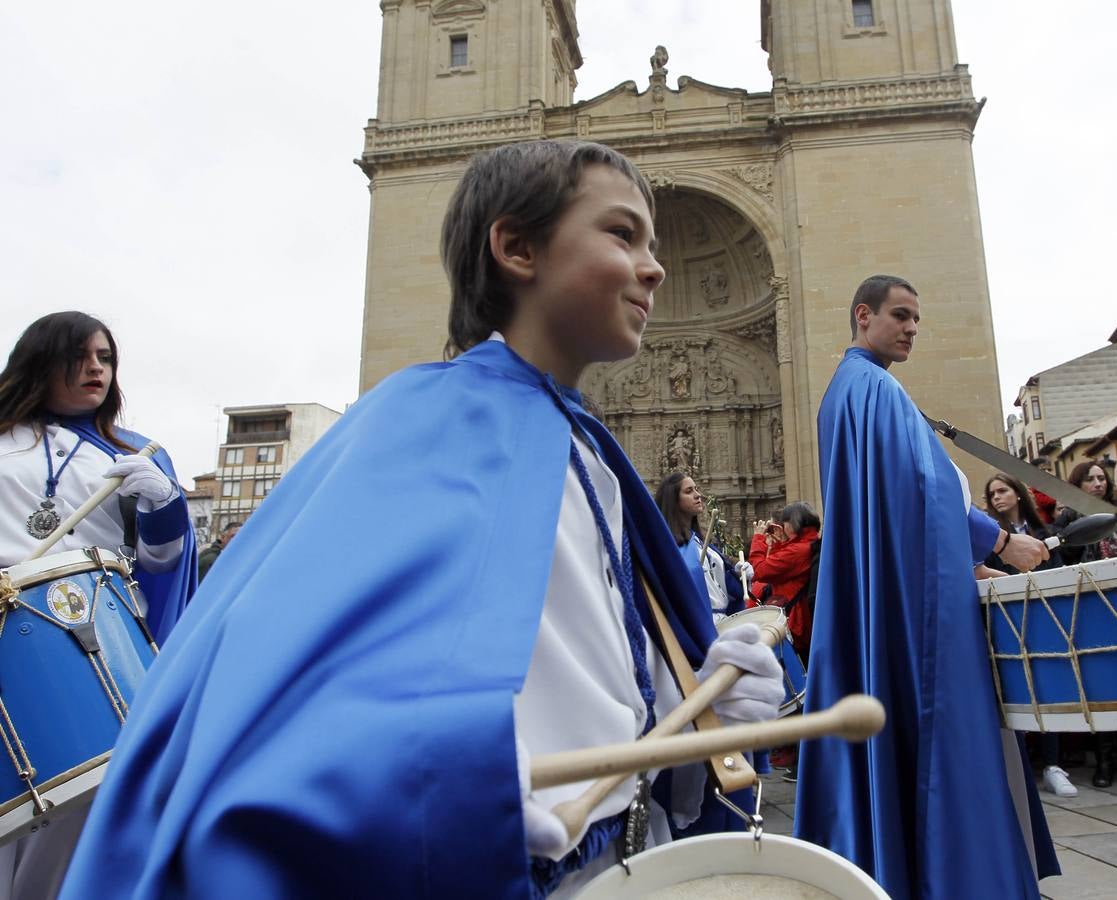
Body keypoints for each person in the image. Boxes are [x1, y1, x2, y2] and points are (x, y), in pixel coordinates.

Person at [59, 140, 784, 898]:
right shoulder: (423, 422)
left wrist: (697, 704)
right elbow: (312, 685)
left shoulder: (589, 450)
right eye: (622, 234)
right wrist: (454, 777)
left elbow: (581, 665)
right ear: (517, 247)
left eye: (655, 243)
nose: (655, 266)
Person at [796, 274, 1058, 899]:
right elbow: (926, 488)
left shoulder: (845, 391)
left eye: (918, 318)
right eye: (901, 315)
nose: (913, 328)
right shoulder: (877, 389)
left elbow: (892, 508)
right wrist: (1000, 542)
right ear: (863, 316)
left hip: (878, 595)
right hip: (916, 611)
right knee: (942, 731)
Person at [0, 311, 197, 900]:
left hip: (91, 649)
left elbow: (161, 567)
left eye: (106, 358)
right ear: (40, 360)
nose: (96, 368)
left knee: (79, 809)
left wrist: (166, 506)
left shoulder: (133, 453)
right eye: (80, 355)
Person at [1051, 460, 1117, 789]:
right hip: (1092, 609)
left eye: (1101, 478)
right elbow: (1062, 564)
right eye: (1090, 479)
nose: (1098, 483)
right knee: (1101, 687)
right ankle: (1105, 759)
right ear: (1077, 485)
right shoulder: (1069, 519)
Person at [981, 474, 1076, 798]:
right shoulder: (988, 541)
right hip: (1006, 625)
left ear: (1019, 493)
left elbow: (1060, 575)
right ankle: (1018, 766)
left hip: (1044, 621)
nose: (997, 498)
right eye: (991, 494)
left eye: (1003, 490)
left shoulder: (1043, 534)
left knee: (1045, 694)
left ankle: (1053, 765)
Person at [652, 471, 751, 622]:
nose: (698, 495)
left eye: (696, 489)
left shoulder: (699, 541)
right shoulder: (665, 546)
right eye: (689, 491)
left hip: (723, 621)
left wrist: (738, 574)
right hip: (699, 624)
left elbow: (721, 588)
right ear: (673, 499)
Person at [748, 501, 821, 658]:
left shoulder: (798, 551)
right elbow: (780, 573)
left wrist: (758, 539)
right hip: (799, 621)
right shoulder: (806, 544)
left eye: (785, 522)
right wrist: (780, 543)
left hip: (795, 625)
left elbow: (760, 571)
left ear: (793, 523)